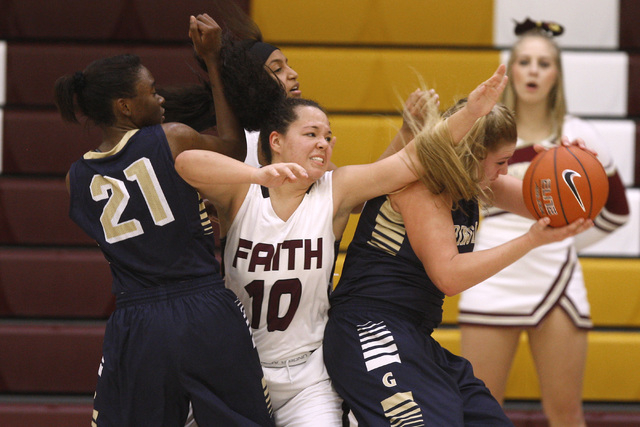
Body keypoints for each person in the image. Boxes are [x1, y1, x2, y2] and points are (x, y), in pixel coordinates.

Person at [174, 47, 510, 424]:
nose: (323, 142)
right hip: (241, 364)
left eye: (328, 136)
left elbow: (413, 159)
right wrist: (256, 175)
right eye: (311, 133)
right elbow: (185, 163)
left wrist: (471, 113)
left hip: (309, 373)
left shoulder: (336, 190)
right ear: (276, 141)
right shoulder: (242, 193)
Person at [54, 14, 274, 426]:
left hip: (137, 321)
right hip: (202, 305)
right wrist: (211, 62)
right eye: (151, 91)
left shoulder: (75, 179)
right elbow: (230, 146)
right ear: (124, 106)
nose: (161, 99)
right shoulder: (171, 137)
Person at [322, 93, 594, 425]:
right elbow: (448, 276)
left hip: (414, 336)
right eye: (501, 161)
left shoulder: (473, 183)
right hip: (371, 328)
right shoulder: (419, 186)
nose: (505, 170)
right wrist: (529, 241)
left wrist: (568, 164)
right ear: (472, 155)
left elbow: (557, 210)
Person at [458, 18, 630, 427]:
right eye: (525, 62)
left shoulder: (579, 138)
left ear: (557, 75)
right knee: (481, 412)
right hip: (492, 275)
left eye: (544, 63)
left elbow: (618, 211)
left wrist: (565, 239)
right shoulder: (484, 131)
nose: (533, 71)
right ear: (510, 69)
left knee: (567, 412)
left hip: (556, 279)